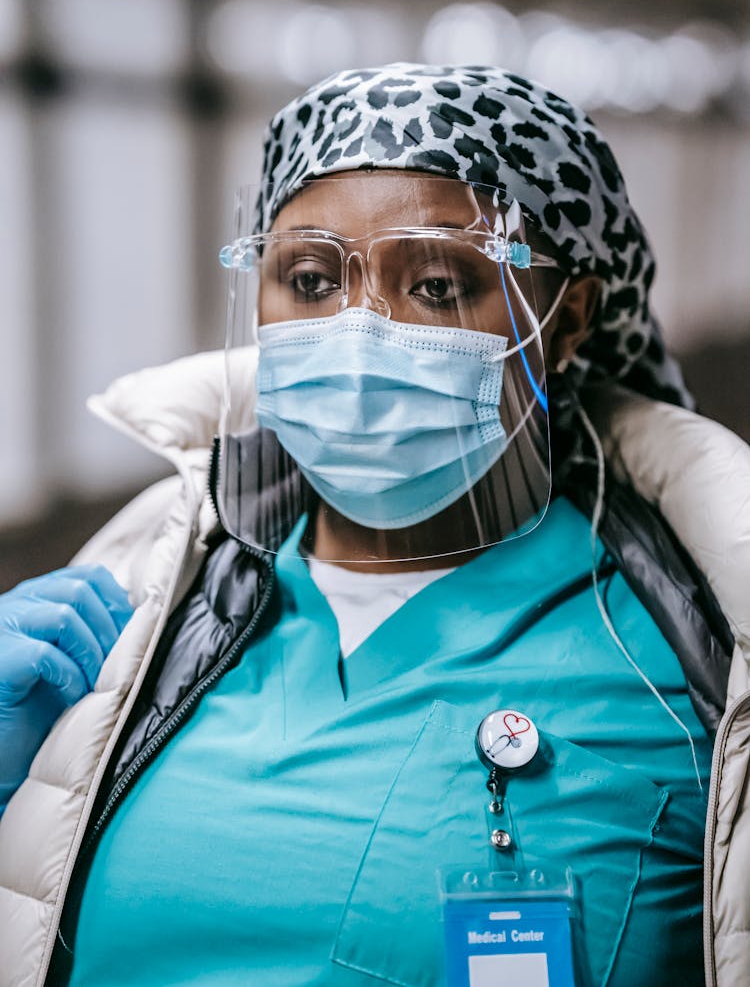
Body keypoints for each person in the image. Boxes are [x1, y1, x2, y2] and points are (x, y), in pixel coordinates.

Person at [0, 63, 748, 987]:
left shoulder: (691, 652)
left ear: (568, 318)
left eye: (438, 285)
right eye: (309, 279)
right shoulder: (156, 589)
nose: (359, 339)